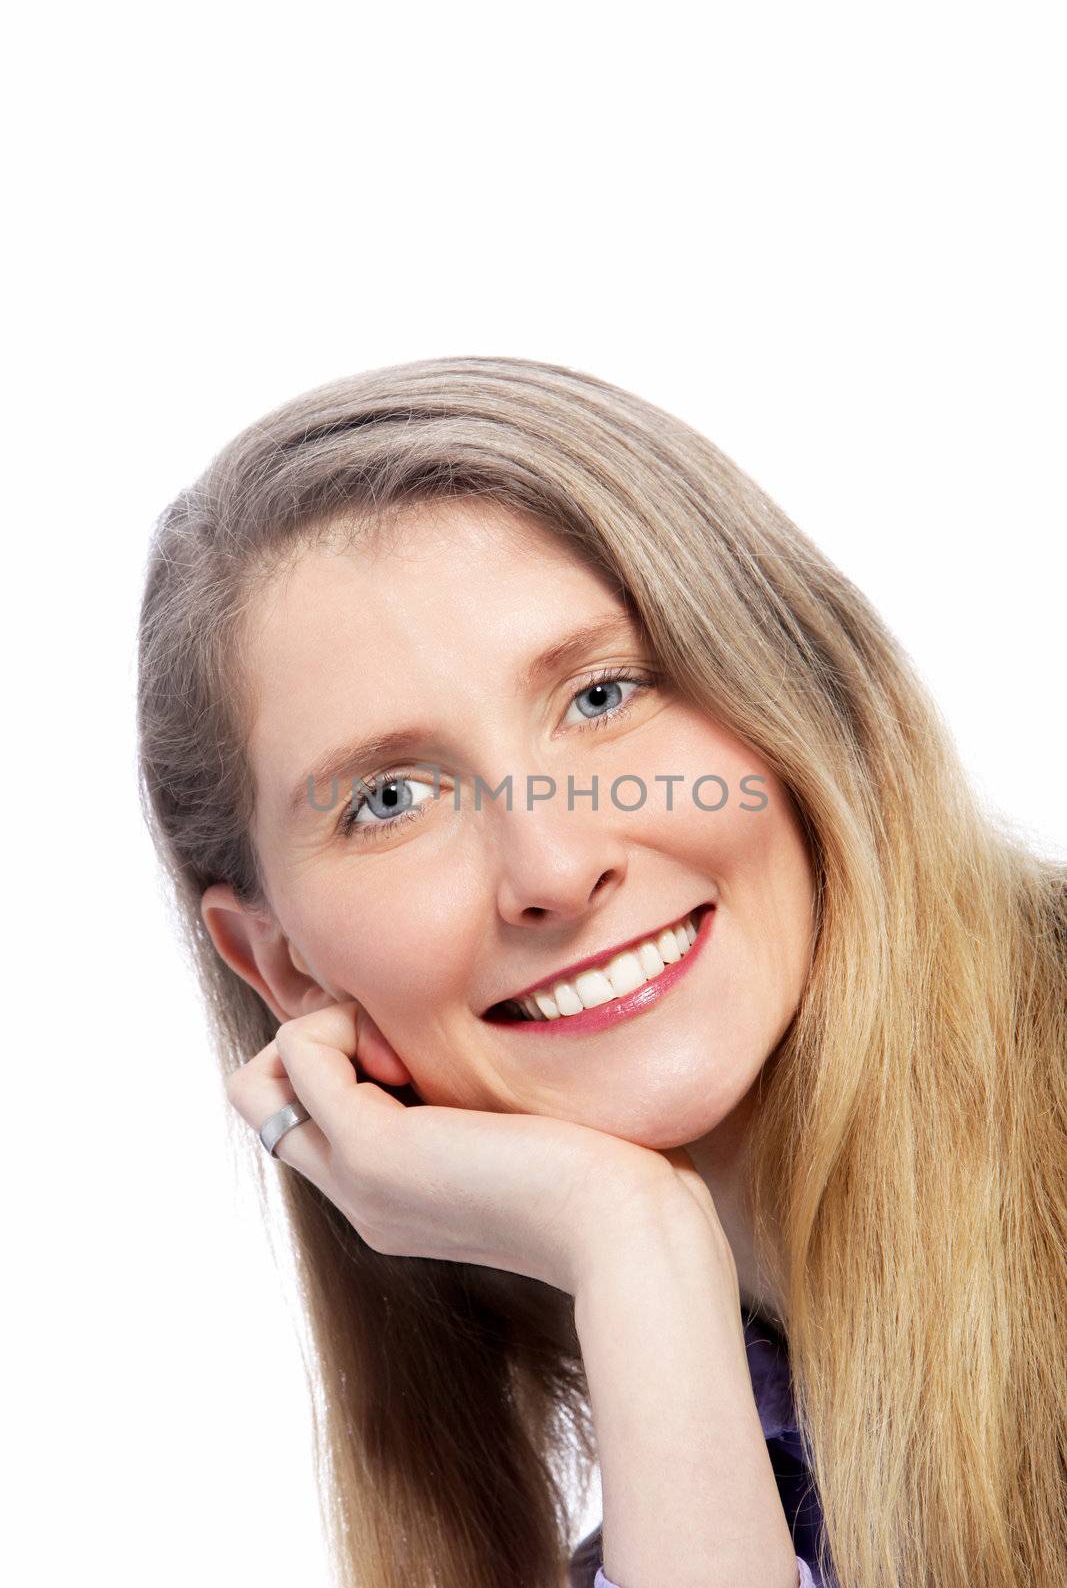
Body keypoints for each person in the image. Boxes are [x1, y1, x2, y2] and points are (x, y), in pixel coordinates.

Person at [136, 356, 1066, 1588]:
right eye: (391, 797)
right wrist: (634, 1243)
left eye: (602, 693)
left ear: (804, 689)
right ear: (285, 965)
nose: (554, 865)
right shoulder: (693, 1492)